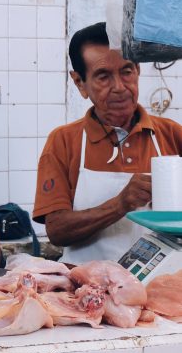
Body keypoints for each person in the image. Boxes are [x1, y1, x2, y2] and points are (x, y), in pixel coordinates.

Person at [33, 21, 182, 263]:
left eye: (126, 71)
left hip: (159, 286)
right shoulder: (63, 141)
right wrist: (119, 205)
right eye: (103, 76)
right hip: (85, 288)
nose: (120, 87)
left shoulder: (172, 134)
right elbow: (57, 230)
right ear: (80, 83)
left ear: (138, 70)